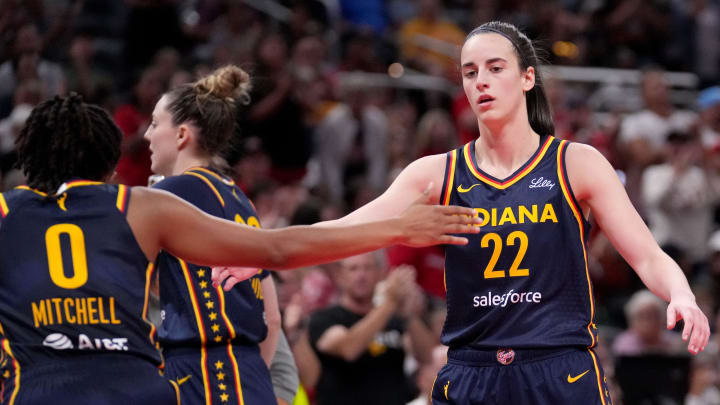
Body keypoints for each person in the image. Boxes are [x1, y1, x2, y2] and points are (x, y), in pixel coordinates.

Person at [216, 21, 710, 404]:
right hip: (471, 371)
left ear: (527, 78)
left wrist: (681, 293)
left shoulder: (575, 163)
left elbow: (646, 255)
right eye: (471, 73)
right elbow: (348, 228)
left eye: (496, 68)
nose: (482, 82)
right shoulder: (436, 173)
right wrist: (264, 254)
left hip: (559, 368)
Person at [0, 93, 480, 404]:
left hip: (37, 389)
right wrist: (396, 229)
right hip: (134, 389)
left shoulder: (5, 214)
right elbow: (277, 250)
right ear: (108, 165)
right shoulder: (140, 206)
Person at [142, 65, 278, 404]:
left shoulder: (168, 194)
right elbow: (272, 318)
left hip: (203, 371)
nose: (146, 135)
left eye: (156, 124)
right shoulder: (240, 198)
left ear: (181, 135)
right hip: (249, 373)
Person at [307, 253, 434, 405]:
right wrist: (390, 303)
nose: (361, 275)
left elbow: (428, 358)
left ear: (381, 273)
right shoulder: (325, 318)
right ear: (340, 275)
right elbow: (348, 349)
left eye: (368, 268)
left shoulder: (394, 318)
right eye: (353, 269)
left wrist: (408, 315)